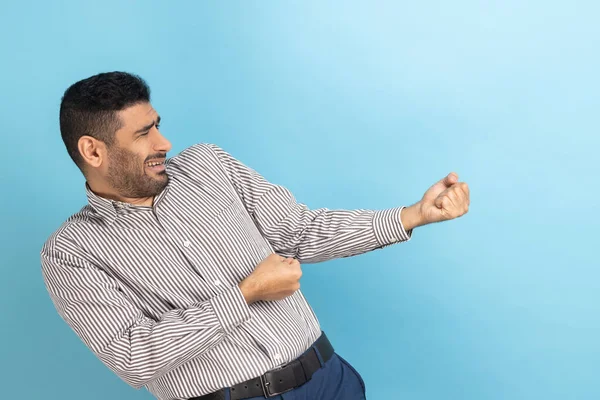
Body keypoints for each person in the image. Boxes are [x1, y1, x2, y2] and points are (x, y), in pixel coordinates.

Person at [41, 71, 470, 400]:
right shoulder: (71, 252)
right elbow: (133, 355)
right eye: (143, 134)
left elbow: (302, 232)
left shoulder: (208, 165)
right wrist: (244, 294)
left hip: (329, 379)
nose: (164, 141)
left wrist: (413, 215)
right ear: (93, 151)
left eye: (156, 124)